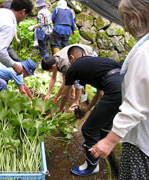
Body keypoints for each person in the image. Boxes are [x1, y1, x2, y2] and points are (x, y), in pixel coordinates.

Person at [89, 0, 149, 179]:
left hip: (142, 144)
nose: (125, 26)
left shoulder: (144, 53)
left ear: (134, 18)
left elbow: (136, 105)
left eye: (125, 19)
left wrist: (109, 142)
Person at [56, 46, 123, 176]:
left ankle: (92, 165)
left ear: (72, 58)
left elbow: (65, 94)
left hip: (115, 90)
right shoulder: (95, 63)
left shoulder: (74, 67)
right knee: (106, 122)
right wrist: (88, 108)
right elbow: (99, 92)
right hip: (127, 85)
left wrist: (60, 108)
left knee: (88, 129)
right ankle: (100, 147)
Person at [42, 44, 97, 111]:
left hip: (89, 53)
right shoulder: (53, 60)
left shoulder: (65, 65)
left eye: (49, 71)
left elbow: (65, 84)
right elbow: (53, 78)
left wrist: (56, 98)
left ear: (53, 66)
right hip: (75, 54)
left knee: (77, 80)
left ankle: (76, 102)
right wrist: (48, 94)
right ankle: (73, 94)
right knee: (68, 77)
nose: (49, 72)